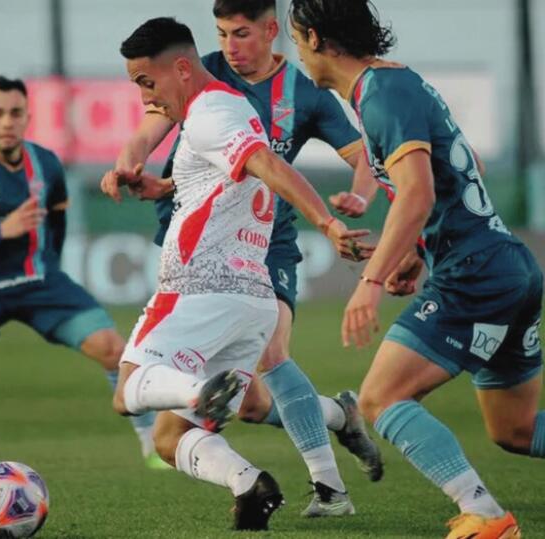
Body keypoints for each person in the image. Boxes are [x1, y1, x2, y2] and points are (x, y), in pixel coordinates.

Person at [288, 2, 545, 537]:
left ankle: (486, 515)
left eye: (296, 39)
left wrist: (371, 282)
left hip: (477, 273)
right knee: (517, 428)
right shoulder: (396, 82)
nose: (296, 52)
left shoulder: (381, 93)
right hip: (504, 264)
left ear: (318, 38)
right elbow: (468, 168)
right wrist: (418, 253)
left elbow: (416, 194)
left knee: (381, 399)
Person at [101, 0, 382, 517]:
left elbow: (267, 162)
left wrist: (335, 216)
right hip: (241, 284)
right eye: (223, 33)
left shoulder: (230, 104)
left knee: (132, 391)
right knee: (205, 422)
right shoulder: (216, 92)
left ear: (272, 30)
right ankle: (253, 481)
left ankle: (329, 487)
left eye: (242, 32)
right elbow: (205, 166)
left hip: (215, 275)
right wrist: (147, 179)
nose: (231, 45)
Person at [0, 76, 163, 475]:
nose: (7, 122)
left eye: (15, 113)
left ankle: (155, 448)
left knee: (113, 348)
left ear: (27, 117)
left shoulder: (45, 164)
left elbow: (57, 226)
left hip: (41, 285)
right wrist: (1, 231)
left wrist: (45, 265)